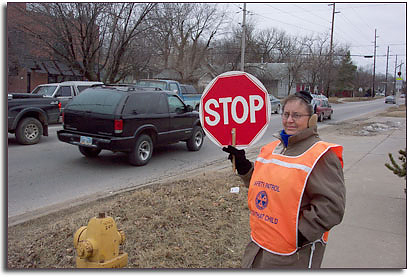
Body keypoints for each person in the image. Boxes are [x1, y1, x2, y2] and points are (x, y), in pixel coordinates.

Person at [223, 90, 345, 269]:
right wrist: (244, 167)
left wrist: (299, 235)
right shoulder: (271, 149)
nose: (289, 120)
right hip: (259, 248)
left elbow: (332, 207)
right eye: (286, 114)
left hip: (291, 257)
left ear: (312, 118)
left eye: (297, 115)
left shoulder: (320, 156)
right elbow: (261, 186)